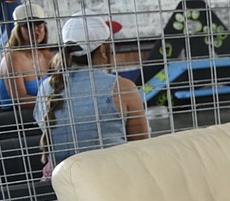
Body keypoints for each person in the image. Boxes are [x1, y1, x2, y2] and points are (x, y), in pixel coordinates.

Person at [33, 11, 148, 174]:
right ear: (102, 49)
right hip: (112, 180)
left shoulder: (45, 88)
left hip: (64, 186)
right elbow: (141, 149)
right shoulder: (123, 88)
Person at [0, 2, 54, 112]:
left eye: (38, 24)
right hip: (19, 117)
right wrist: (54, 102)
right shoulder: (12, 57)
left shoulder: (48, 55)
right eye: (27, 26)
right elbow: (20, 100)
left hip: (45, 112)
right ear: (18, 30)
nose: (34, 30)